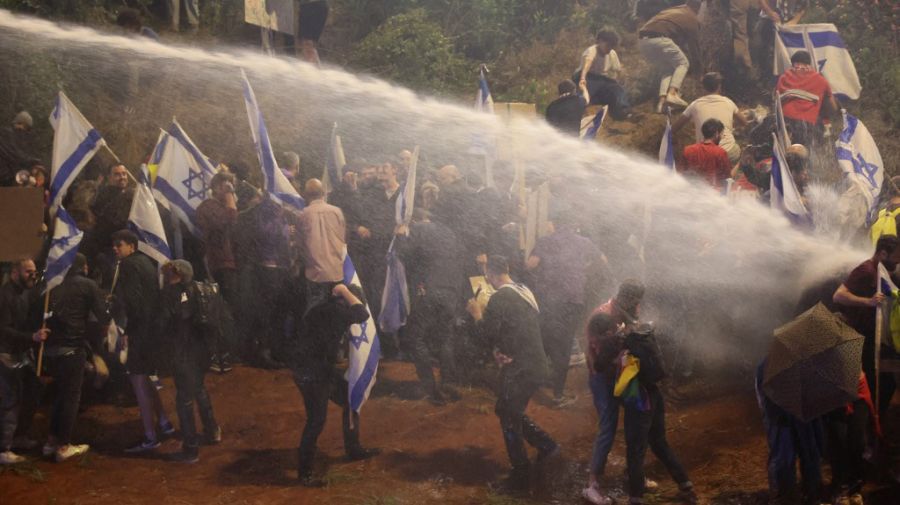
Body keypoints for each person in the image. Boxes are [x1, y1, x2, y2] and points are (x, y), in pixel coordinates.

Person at [466, 256, 559, 494]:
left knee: (508, 415)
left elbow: (485, 335)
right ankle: (546, 444)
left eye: (486, 272)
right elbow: (516, 329)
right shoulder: (522, 290)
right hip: (533, 363)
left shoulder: (500, 298)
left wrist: (476, 314)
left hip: (522, 367)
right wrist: (502, 350)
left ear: (490, 275)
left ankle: (520, 477)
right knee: (508, 410)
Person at [289, 282, 379, 486]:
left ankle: (353, 448)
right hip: (312, 373)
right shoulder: (334, 311)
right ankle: (305, 474)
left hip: (317, 369)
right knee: (316, 420)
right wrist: (345, 291)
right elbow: (361, 313)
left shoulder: (324, 309)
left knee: (350, 398)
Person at [582, 281, 652, 504]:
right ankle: (592, 485)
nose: (637, 306)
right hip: (603, 378)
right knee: (608, 426)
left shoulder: (631, 311)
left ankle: (634, 475)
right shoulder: (601, 316)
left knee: (638, 420)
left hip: (624, 374)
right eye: (634, 302)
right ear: (625, 297)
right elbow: (595, 354)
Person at [526, 214, 603, 407]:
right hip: (572, 299)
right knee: (564, 344)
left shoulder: (545, 241)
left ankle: (538, 380)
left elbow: (530, 264)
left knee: (545, 339)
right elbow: (602, 260)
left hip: (549, 299)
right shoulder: (583, 242)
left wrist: (542, 275)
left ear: (554, 224)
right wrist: (582, 270)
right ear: (574, 224)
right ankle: (558, 394)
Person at [619, 322, 697, 505]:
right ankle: (685, 485)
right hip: (655, 394)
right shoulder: (647, 341)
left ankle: (636, 497)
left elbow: (622, 382)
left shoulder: (627, 348)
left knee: (635, 450)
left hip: (640, 400)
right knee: (659, 442)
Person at [110, 230, 174, 452]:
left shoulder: (127, 266)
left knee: (138, 381)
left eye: (119, 245)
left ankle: (149, 436)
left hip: (140, 330)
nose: (115, 248)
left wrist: (128, 329)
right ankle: (164, 423)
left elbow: (134, 302)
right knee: (146, 377)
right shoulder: (146, 263)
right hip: (152, 329)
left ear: (132, 246)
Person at [43, 253, 110, 462]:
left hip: (50, 348)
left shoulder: (53, 284)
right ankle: (63, 446)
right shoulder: (88, 285)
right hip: (72, 347)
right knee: (71, 396)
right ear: (85, 267)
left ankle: (51, 441)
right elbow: (103, 315)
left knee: (61, 394)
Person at [394, 208, 465, 404]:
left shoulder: (418, 230)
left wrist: (400, 237)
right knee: (445, 337)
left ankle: (430, 388)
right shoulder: (449, 233)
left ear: (415, 220)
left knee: (415, 338)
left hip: (428, 290)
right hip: (451, 290)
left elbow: (403, 256)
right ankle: (449, 382)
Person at [159, 260, 221, 464]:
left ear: (177, 275)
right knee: (199, 388)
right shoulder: (204, 289)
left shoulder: (173, 294)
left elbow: (169, 322)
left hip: (184, 351)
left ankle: (190, 448)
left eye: (170, 274)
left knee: (184, 399)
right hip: (203, 350)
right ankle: (212, 430)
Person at [833, 234, 900, 415]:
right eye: (896, 257)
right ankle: (869, 424)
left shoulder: (882, 270)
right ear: (883, 254)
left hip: (873, 336)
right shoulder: (865, 270)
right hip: (860, 336)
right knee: (874, 383)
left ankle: (875, 420)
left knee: (885, 381)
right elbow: (838, 295)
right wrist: (868, 302)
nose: (898, 262)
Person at [0, 258, 45, 465]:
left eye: (34, 271)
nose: (33, 276)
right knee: (10, 400)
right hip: (6, 354)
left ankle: (19, 436)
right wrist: (32, 338)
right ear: (14, 274)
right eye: (28, 272)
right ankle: (3, 448)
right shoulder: (5, 296)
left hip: (21, 353)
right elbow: (5, 330)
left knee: (32, 390)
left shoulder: (25, 292)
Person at [196, 171, 239, 372]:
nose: (230, 189)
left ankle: (227, 352)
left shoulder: (223, 207)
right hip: (218, 265)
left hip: (230, 264)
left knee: (228, 310)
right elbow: (223, 225)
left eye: (232, 185)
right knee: (219, 312)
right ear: (215, 188)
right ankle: (218, 355)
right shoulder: (207, 208)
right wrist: (231, 202)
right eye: (226, 186)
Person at [637, 0, 702, 113]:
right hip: (659, 39)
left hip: (643, 42)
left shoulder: (676, 10)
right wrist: (700, 72)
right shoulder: (692, 18)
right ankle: (672, 93)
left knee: (668, 69)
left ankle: (662, 103)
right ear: (698, 6)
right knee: (683, 63)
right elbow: (695, 50)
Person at [672, 72, 748, 164]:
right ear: (719, 86)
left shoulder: (695, 105)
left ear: (703, 87)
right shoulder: (728, 102)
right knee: (738, 152)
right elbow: (744, 122)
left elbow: (674, 128)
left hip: (705, 154)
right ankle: (731, 174)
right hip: (728, 152)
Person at [297, 178, 347, 311]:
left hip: (315, 274)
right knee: (337, 314)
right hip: (336, 271)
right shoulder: (337, 212)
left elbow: (300, 245)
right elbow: (342, 239)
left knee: (316, 316)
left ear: (305, 195)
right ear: (323, 192)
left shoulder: (303, 215)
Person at [775, 50, 839, 147]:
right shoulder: (820, 80)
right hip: (807, 126)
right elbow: (833, 108)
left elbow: (777, 100)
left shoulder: (783, 78)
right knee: (819, 148)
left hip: (784, 124)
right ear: (809, 64)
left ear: (793, 63)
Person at [572, 29, 631, 120]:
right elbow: (588, 63)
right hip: (587, 76)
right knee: (584, 92)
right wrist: (583, 78)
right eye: (607, 45)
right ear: (600, 41)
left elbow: (618, 70)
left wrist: (621, 81)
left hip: (601, 80)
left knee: (617, 90)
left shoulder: (612, 54)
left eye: (611, 46)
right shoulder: (592, 50)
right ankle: (577, 114)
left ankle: (622, 112)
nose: (609, 49)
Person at [753, 0, 808, 82]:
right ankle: (764, 82)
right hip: (767, 21)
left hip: (789, 24)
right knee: (763, 54)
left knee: (788, 56)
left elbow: (803, 4)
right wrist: (770, 13)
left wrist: (794, 20)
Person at [680, 118, 732, 191]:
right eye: (721, 134)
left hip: (691, 191)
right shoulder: (720, 152)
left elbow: (682, 174)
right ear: (717, 133)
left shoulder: (688, 150)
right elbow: (726, 178)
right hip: (712, 194)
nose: (722, 137)